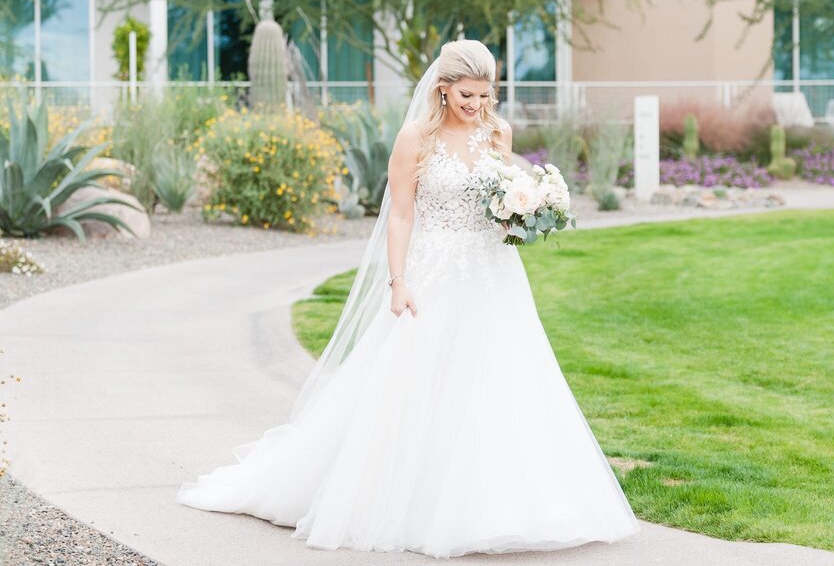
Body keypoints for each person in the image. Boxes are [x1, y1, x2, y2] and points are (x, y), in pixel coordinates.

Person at [176, 39, 640, 558]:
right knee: (415, 381)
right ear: (443, 88)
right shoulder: (415, 137)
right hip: (433, 270)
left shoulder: (498, 132)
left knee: (501, 379)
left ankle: (500, 504)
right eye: (467, 94)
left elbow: (499, 197)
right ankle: (402, 499)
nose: (477, 105)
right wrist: (398, 280)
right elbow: (401, 214)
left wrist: (527, 209)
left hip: (494, 274)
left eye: (485, 95)